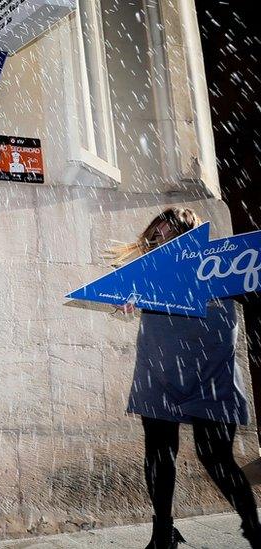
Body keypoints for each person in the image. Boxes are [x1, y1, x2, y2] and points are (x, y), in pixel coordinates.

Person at [107, 207, 260, 549]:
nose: (159, 242)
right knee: (160, 456)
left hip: (210, 377)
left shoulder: (220, 268)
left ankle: (253, 528)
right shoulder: (148, 275)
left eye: (166, 235)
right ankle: (163, 533)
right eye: (155, 237)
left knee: (216, 457)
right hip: (159, 377)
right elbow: (124, 299)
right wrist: (124, 302)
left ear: (186, 237)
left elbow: (250, 293)